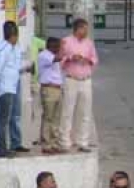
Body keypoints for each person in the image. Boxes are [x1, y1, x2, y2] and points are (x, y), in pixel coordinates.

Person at [0, 21, 31, 157]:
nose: (16, 39)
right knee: (3, 121)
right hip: (5, 88)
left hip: (11, 86)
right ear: (11, 36)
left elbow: (13, 66)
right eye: (15, 36)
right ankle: (0, 149)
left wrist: (24, 68)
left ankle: (10, 144)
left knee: (7, 118)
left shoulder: (13, 47)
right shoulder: (4, 49)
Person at [59, 18, 99, 153]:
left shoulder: (89, 43)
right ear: (78, 29)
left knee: (85, 112)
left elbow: (94, 59)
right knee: (67, 111)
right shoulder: (66, 41)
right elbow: (60, 60)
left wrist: (86, 59)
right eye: (85, 29)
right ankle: (65, 141)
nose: (87, 31)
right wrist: (71, 58)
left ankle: (82, 141)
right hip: (71, 79)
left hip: (86, 79)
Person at [37, 37, 64, 155]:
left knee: (56, 118)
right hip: (49, 89)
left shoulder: (52, 56)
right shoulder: (44, 55)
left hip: (57, 88)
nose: (59, 49)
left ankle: (53, 143)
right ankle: (46, 144)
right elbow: (57, 58)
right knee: (48, 117)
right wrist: (66, 51)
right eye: (57, 46)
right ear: (52, 46)